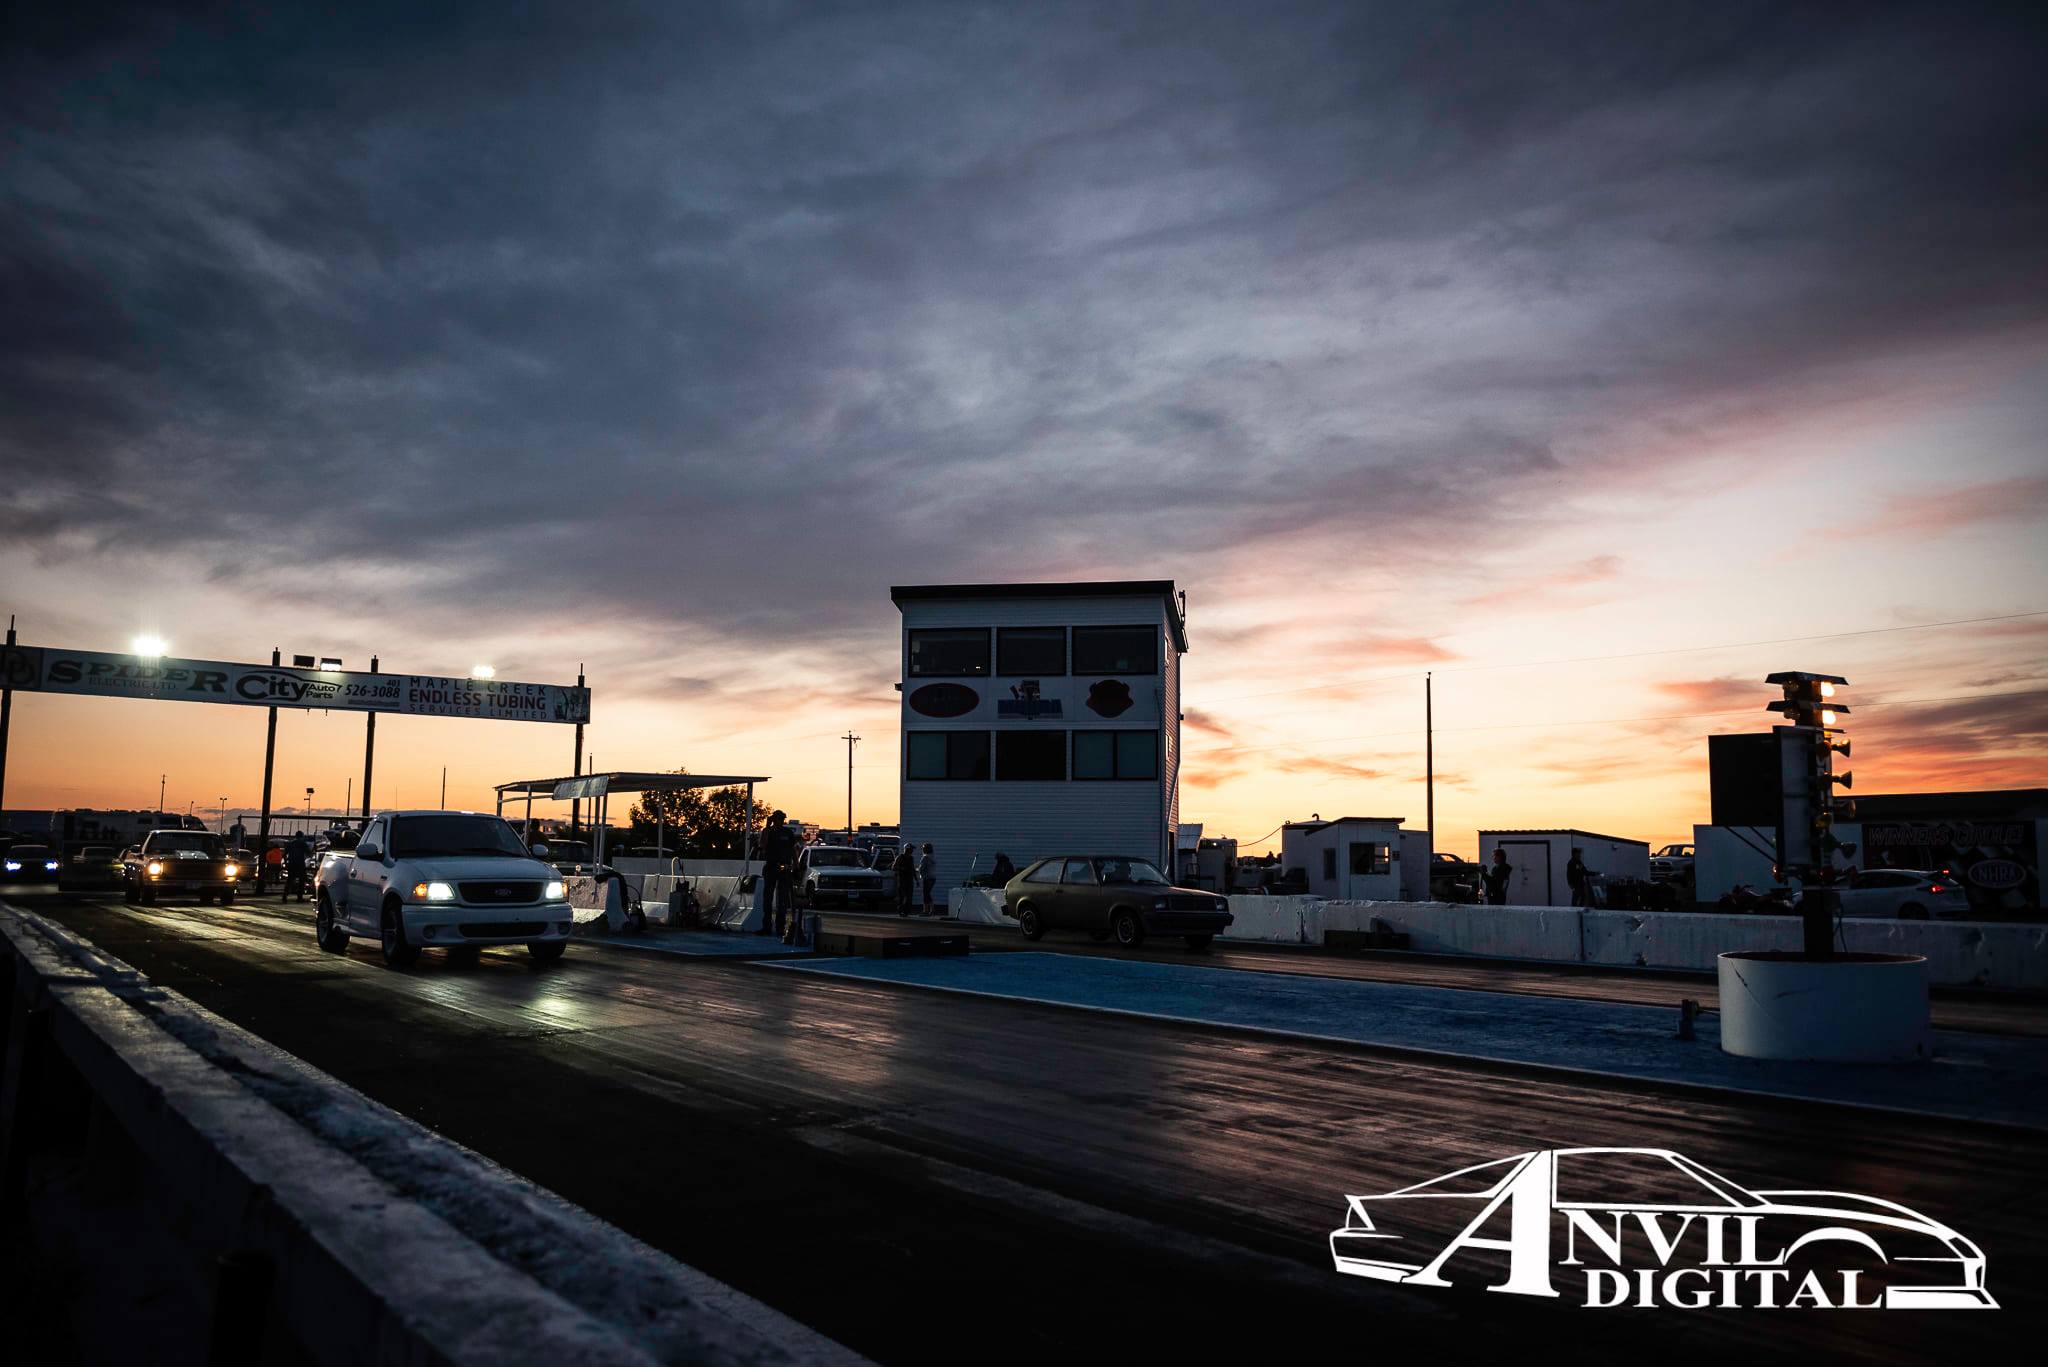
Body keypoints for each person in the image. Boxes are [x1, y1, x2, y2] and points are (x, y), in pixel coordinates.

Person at [759, 810, 799, 937]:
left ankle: (780, 928)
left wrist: (796, 865)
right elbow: (763, 845)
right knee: (768, 899)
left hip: (785, 868)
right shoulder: (768, 831)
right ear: (774, 819)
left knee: (782, 900)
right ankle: (766, 927)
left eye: (782, 819)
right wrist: (767, 826)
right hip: (771, 867)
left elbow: (793, 849)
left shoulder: (788, 833)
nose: (781, 821)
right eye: (779, 818)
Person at [283, 833, 313, 902]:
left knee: (289, 881)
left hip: (291, 864)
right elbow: (309, 853)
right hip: (300, 864)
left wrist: (286, 863)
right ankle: (299, 897)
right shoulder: (303, 844)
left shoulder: (290, 843)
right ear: (302, 837)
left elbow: (284, 855)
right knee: (301, 881)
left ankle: (285, 896)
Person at [893, 843, 916, 915]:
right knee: (902, 896)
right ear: (907, 849)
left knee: (909, 896)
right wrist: (901, 868)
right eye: (911, 849)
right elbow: (893, 867)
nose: (912, 851)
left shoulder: (911, 858)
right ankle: (900, 910)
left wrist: (916, 880)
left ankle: (907, 911)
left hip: (909, 880)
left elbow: (913, 869)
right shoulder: (900, 857)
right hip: (902, 879)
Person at [918, 842, 937, 916]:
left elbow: (922, 868)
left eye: (923, 848)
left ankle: (926, 910)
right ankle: (932, 909)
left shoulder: (925, 857)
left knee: (925, 894)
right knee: (928, 893)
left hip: (926, 878)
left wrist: (917, 870)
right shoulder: (933, 857)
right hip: (933, 877)